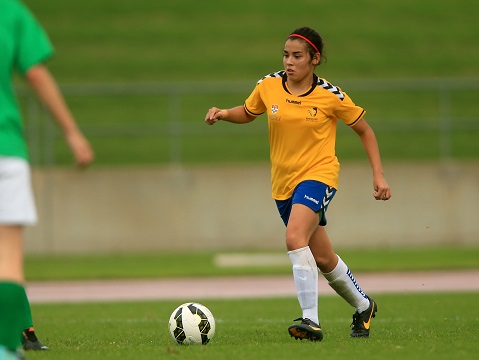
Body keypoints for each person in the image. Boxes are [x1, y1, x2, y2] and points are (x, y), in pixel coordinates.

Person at [205, 26, 391, 341]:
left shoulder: (331, 95)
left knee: (294, 238)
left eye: (298, 56)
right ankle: (363, 306)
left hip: (319, 174)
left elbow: (365, 131)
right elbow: (249, 113)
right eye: (286, 55)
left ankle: (310, 321)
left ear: (314, 59)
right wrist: (223, 113)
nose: (289, 62)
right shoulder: (268, 85)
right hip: (283, 184)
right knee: (322, 258)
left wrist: (378, 174)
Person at [0, 0, 94, 358]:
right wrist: (72, 132)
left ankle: (22, 334)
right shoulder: (10, 11)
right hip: (5, 147)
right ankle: (7, 348)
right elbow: (36, 73)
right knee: (8, 261)